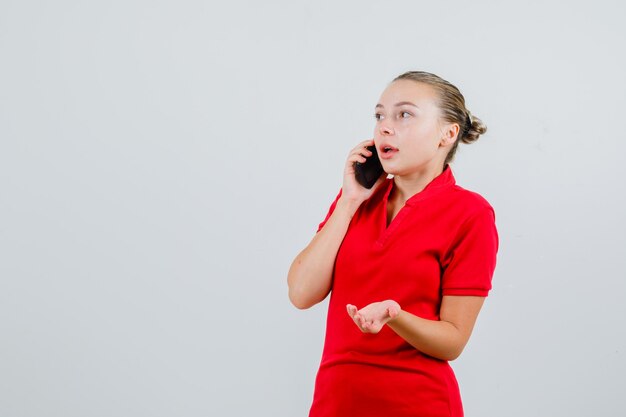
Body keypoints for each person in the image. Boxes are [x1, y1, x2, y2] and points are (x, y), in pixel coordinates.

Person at [287, 71, 499, 417]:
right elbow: (301, 293)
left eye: (404, 114)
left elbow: (453, 340)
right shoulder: (356, 200)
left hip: (419, 404)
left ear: (448, 134)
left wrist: (394, 315)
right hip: (335, 402)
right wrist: (349, 201)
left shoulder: (471, 214)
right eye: (379, 115)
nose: (384, 127)